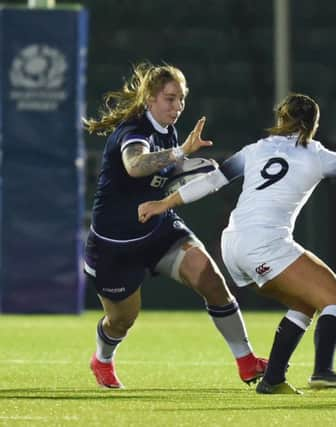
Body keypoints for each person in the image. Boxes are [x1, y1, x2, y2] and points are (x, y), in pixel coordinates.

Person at [138, 93, 336, 394]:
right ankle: (323, 371)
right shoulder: (318, 155)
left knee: (304, 303)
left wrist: (164, 203)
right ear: (314, 124)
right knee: (335, 299)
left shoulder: (255, 149)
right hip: (264, 243)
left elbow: (211, 182)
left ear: (280, 119)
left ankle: (273, 379)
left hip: (233, 245)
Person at [82, 63, 266, 389]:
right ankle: (103, 359)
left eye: (181, 99)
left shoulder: (168, 129)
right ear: (150, 98)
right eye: (170, 98)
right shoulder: (133, 130)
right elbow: (135, 165)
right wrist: (181, 154)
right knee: (122, 321)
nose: (177, 107)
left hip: (159, 229)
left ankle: (247, 361)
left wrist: (191, 167)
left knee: (211, 279)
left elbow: (163, 171)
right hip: (115, 245)